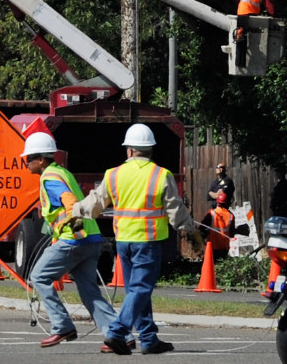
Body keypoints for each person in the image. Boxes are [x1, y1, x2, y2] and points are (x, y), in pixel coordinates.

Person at [71, 124, 204, 355]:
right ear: (150, 150)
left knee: (136, 290)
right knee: (141, 288)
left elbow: (94, 203)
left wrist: (75, 214)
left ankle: (149, 338)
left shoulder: (113, 174)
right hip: (149, 241)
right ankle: (117, 332)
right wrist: (192, 233)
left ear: (129, 151)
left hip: (123, 241)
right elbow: (176, 211)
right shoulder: (161, 175)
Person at [21, 132, 133, 353]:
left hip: (75, 240)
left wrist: (75, 234)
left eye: (28, 159)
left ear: (41, 159)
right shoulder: (63, 172)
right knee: (89, 290)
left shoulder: (50, 177)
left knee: (38, 276)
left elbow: (70, 202)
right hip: (90, 240)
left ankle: (62, 326)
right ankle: (119, 335)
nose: (25, 164)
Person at [200, 192, 236, 261]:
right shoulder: (231, 215)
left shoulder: (212, 212)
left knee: (209, 264)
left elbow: (202, 227)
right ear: (227, 203)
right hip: (224, 247)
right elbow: (232, 235)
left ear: (218, 202)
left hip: (212, 245)